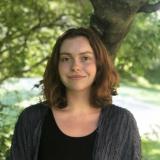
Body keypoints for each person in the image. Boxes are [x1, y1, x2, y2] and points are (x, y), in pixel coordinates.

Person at [9, 27, 141, 160]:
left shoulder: (122, 122)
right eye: (66, 59)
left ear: (99, 64)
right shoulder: (31, 119)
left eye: (85, 58)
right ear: (57, 66)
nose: (75, 66)